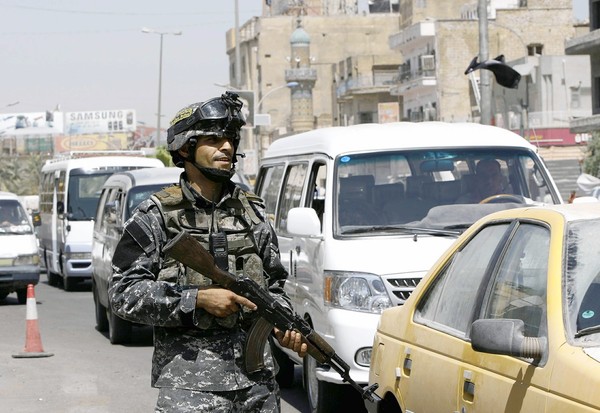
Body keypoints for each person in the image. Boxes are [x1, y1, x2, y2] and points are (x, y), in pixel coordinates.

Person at [108, 92, 307, 413]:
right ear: (185, 148)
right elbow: (122, 294)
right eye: (214, 140)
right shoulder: (155, 215)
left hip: (258, 384)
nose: (227, 147)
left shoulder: (253, 212)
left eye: (230, 138)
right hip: (191, 389)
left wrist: (284, 324)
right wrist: (196, 299)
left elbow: (275, 285)